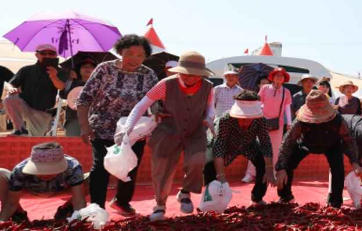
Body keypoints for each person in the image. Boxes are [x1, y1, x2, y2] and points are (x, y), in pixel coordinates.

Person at [122, 51, 215, 221]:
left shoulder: (208, 86)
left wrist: (209, 119)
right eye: (186, 74)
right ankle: (160, 205)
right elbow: (142, 105)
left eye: (195, 75)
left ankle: (185, 192)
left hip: (195, 130)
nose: (191, 78)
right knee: (162, 169)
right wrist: (128, 127)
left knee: (198, 160)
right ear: (179, 71)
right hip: (168, 130)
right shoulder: (166, 84)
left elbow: (210, 108)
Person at [76, 34, 160, 215]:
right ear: (120, 52)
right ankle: (97, 207)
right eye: (130, 53)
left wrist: (158, 117)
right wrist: (84, 126)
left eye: (140, 55)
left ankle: (121, 202)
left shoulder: (149, 75)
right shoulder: (104, 69)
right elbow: (83, 99)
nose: (135, 59)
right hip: (102, 127)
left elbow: (154, 103)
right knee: (101, 167)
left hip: (134, 130)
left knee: (130, 166)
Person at [276, 91, 360, 209]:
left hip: (332, 144)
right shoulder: (300, 121)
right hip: (306, 143)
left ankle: (335, 202)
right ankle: (285, 197)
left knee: (338, 170)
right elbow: (288, 141)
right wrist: (281, 167)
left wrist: (355, 161)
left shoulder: (337, 120)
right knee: (288, 165)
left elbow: (348, 140)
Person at [204, 91, 276, 205]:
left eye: (249, 117)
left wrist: (269, 169)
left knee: (263, 164)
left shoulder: (261, 119)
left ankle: (257, 198)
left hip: (248, 143)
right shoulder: (225, 119)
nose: (245, 120)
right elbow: (219, 146)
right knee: (209, 166)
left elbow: (265, 143)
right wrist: (221, 176)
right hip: (221, 143)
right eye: (242, 116)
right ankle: (211, 199)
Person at [0, 142, 87, 222]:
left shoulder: (73, 167)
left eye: (51, 170)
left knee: (93, 177)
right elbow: (11, 203)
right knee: (1, 174)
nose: (46, 174)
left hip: (63, 190)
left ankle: (67, 209)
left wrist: (78, 221)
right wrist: (2, 222)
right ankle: (18, 213)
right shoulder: (20, 170)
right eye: (41, 170)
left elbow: (79, 202)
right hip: (27, 191)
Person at [3, 44, 68, 136]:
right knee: (10, 99)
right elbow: (10, 83)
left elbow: (61, 87)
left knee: (35, 141)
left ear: (56, 55)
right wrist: (11, 89)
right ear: (37, 55)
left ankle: (24, 136)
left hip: (42, 112)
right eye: (43, 53)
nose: (47, 56)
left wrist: (54, 76)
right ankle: (20, 129)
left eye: (51, 53)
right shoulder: (26, 70)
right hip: (24, 105)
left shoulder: (60, 71)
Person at [246, 68, 292, 184]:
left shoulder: (286, 91)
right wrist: (258, 113)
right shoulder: (265, 88)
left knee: (275, 149)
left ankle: (273, 173)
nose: (279, 78)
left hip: (278, 124)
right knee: (256, 148)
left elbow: (287, 107)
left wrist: (290, 123)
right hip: (262, 122)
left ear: (284, 79)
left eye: (281, 76)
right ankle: (250, 173)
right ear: (272, 77)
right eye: (277, 75)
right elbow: (258, 103)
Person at [61, 58, 97, 136]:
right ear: (79, 70)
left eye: (90, 67)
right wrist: (70, 79)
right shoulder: (72, 82)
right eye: (84, 66)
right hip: (73, 118)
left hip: (93, 119)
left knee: (92, 146)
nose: (87, 68)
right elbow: (63, 94)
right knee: (72, 144)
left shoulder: (100, 83)